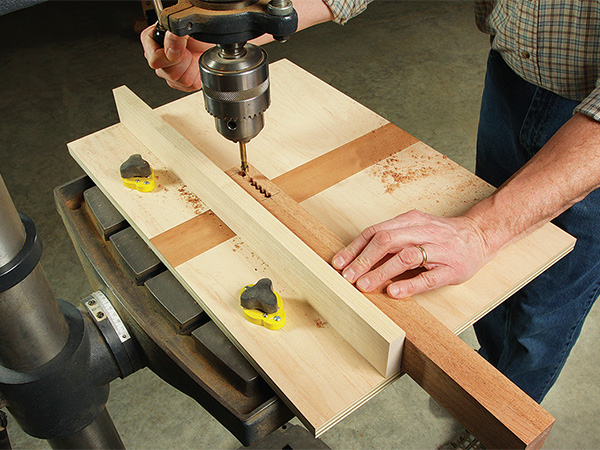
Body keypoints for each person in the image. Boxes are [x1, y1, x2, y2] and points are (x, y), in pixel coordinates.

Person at [141, 0, 600, 417]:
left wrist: (482, 231)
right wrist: (239, 32)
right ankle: (490, 371)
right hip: (512, 76)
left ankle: (501, 406)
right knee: (489, 293)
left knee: (545, 305)